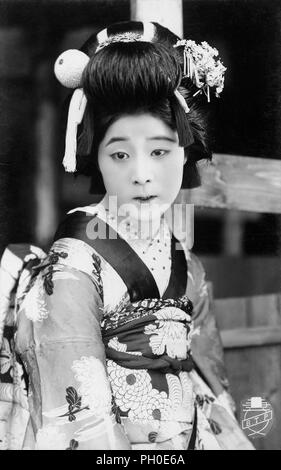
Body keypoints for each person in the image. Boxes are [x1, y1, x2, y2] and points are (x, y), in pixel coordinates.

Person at [0, 21, 254, 450]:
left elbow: (210, 378)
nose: (141, 175)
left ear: (186, 151)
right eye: (119, 154)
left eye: (160, 151)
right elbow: (76, 412)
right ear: (93, 156)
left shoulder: (185, 263)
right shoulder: (72, 267)